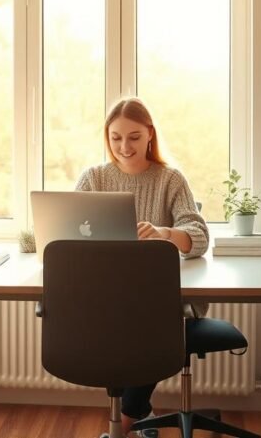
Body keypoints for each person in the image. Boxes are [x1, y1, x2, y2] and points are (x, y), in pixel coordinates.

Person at [75, 97, 209, 438]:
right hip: (107, 294)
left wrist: (165, 233)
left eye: (134, 137)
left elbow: (200, 236)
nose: (124, 147)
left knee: (144, 323)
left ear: (150, 134)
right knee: (107, 323)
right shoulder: (93, 179)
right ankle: (139, 415)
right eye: (116, 137)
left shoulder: (170, 180)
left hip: (157, 298)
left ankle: (128, 422)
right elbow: (66, 232)